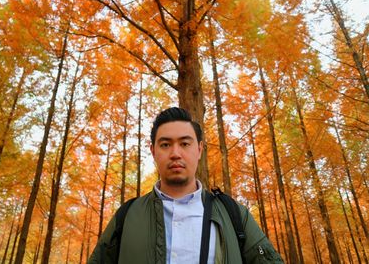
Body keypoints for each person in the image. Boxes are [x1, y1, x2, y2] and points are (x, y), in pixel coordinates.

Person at [88, 107, 283, 264]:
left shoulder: (234, 215)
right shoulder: (127, 216)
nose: (175, 153)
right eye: (165, 144)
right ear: (153, 151)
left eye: (185, 144)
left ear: (199, 150)